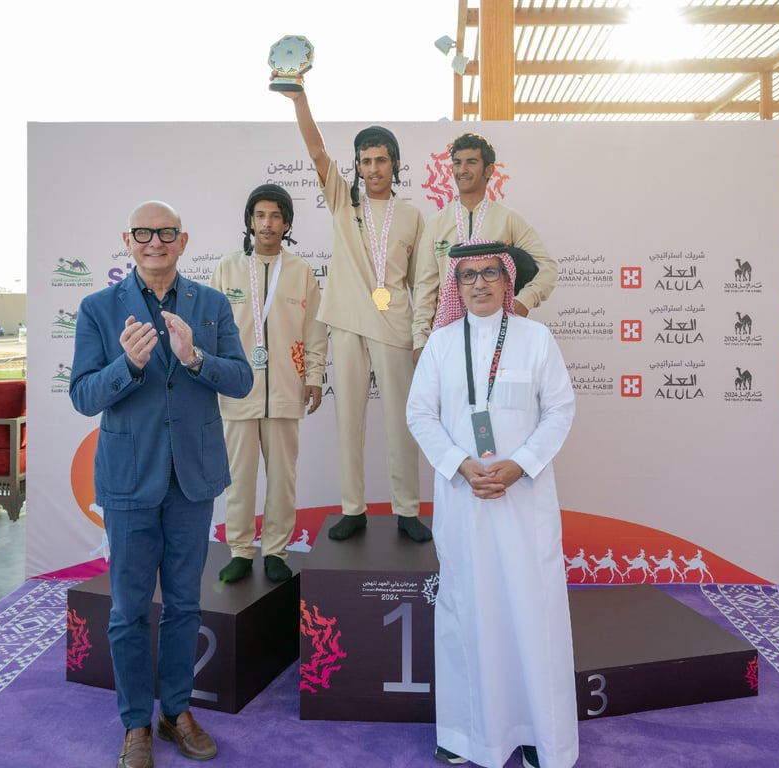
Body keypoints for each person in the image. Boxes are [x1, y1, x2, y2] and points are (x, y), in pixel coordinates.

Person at [69, 200, 253, 768]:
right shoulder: (98, 309)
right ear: (128, 241)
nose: (156, 242)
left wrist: (195, 359)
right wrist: (126, 365)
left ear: (183, 240)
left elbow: (241, 380)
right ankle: (135, 724)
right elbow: (83, 396)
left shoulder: (212, 304)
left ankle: (176, 712)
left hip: (192, 479)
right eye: (144, 233)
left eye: (167, 233)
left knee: (184, 604)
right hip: (129, 480)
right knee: (127, 610)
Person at [406, 239, 578, 768]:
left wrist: (520, 463)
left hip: (523, 501)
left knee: (531, 611)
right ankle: (464, 734)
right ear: (456, 286)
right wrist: (460, 463)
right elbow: (420, 414)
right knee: (466, 612)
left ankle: (537, 733)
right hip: (464, 500)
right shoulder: (440, 344)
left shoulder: (536, 339)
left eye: (489, 274)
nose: (479, 283)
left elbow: (560, 409)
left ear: (507, 281)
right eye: (468, 275)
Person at [278, 81, 431, 543]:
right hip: (346, 323)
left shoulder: (413, 216)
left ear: (395, 164)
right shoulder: (344, 201)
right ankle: (353, 508)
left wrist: (421, 335)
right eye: (365, 161)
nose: (373, 168)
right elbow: (316, 149)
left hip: (394, 326)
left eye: (381, 160)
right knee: (349, 421)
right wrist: (300, 100)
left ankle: (407, 509)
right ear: (357, 167)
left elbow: (421, 281)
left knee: (401, 422)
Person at [209, 184, 327, 583]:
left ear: (287, 223)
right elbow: (210, 331)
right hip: (237, 393)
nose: (267, 223)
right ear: (249, 221)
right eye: (260, 215)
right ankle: (240, 551)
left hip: (285, 391)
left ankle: (276, 550)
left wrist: (314, 376)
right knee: (238, 481)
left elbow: (314, 331)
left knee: (282, 480)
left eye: (276, 216)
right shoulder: (226, 269)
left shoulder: (300, 272)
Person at [412, 132, 558, 360]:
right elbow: (425, 287)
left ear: (489, 170)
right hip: (450, 331)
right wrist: (420, 341)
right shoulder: (436, 223)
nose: (462, 170)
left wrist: (522, 302)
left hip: (499, 328)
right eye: (457, 163)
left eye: (471, 162)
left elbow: (548, 268)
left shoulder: (508, 218)